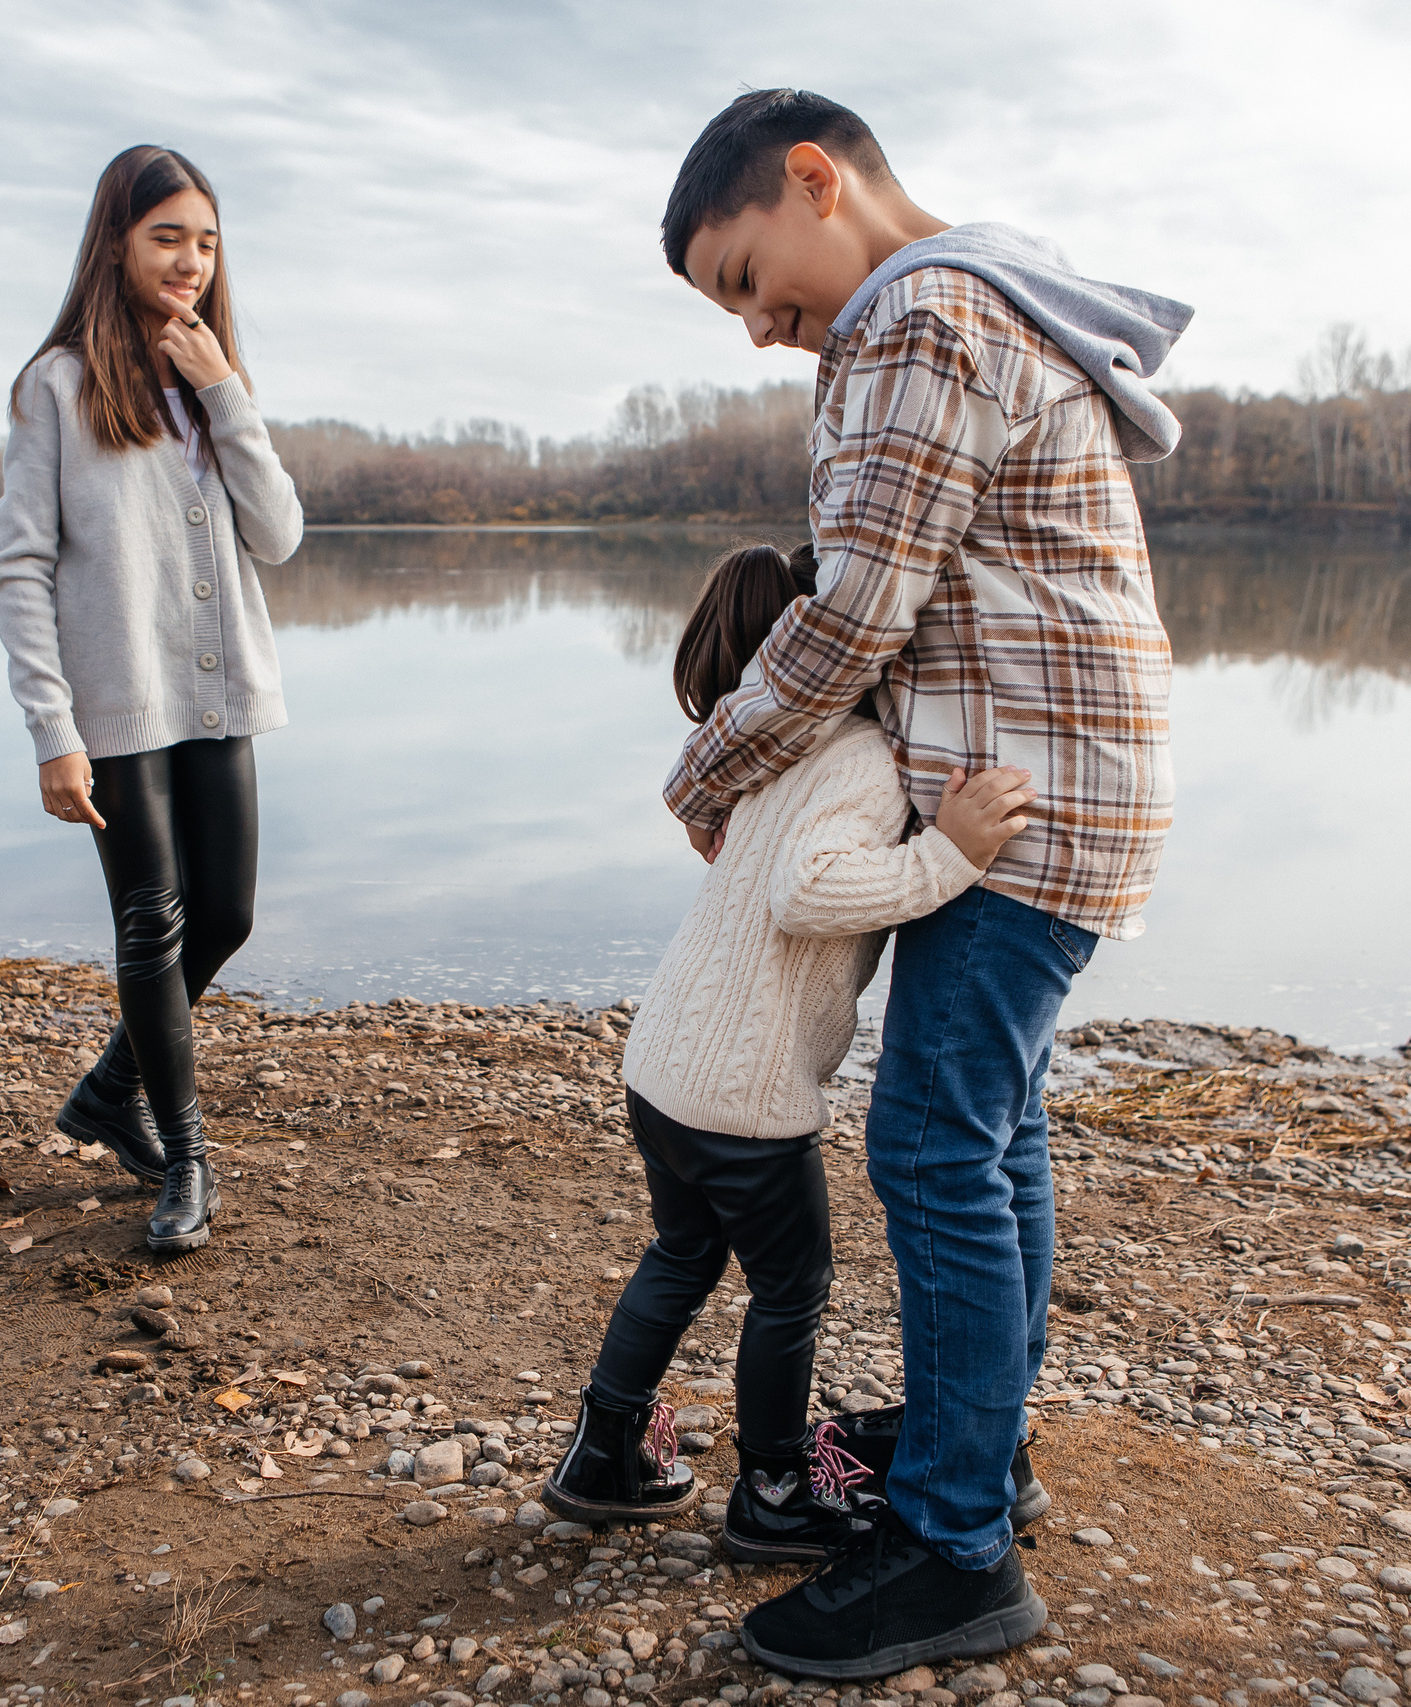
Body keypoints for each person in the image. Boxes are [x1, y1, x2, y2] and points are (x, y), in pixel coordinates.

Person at [658, 90, 1190, 1678]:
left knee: (930, 1136)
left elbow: (849, 617)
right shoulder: (970, 301)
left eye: (751, 275)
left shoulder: (915, 319)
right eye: (737, 308)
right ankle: (983, 1450)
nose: (761, 327)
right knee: (990, 1126)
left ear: (818, 181)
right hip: (1057, 797)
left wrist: (710, 769)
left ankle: (957, 1546)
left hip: (1019, 810)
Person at [539, 540, 1033, 1568]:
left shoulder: (763, 751)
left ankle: (604, 1448)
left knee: (681, 1256)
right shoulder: (854, 759)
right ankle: (769, 1487)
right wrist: (951, 854)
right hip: (740, 1098)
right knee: (791, 1286)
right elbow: (804, 892)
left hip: (664, 1072)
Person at [0, 144, 303, 1255]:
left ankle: (106, 1090)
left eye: (207, 241)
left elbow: (281, 538)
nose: (191, 260)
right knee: (151, 923)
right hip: (118, 709)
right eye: (168, 236)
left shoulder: (215, 387)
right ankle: (186, 1158)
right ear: (115, 242)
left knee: (227, 916)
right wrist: (52, 732)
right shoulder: (57, 387)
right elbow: (19, 567)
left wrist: (223, 393)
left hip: (219, 702)